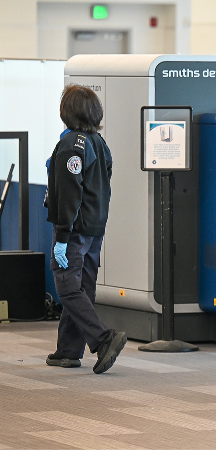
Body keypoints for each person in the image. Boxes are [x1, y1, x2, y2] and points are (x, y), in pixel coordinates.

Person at [44, 84, 127, 373]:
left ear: (67, 112)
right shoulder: (99, 143)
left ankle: (104, 340)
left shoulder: (71, 145)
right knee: (81, 289)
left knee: (67, 288)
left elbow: (69, 194)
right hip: (94, 229)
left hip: (75, 231)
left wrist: (63, 237)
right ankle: (67, 351)